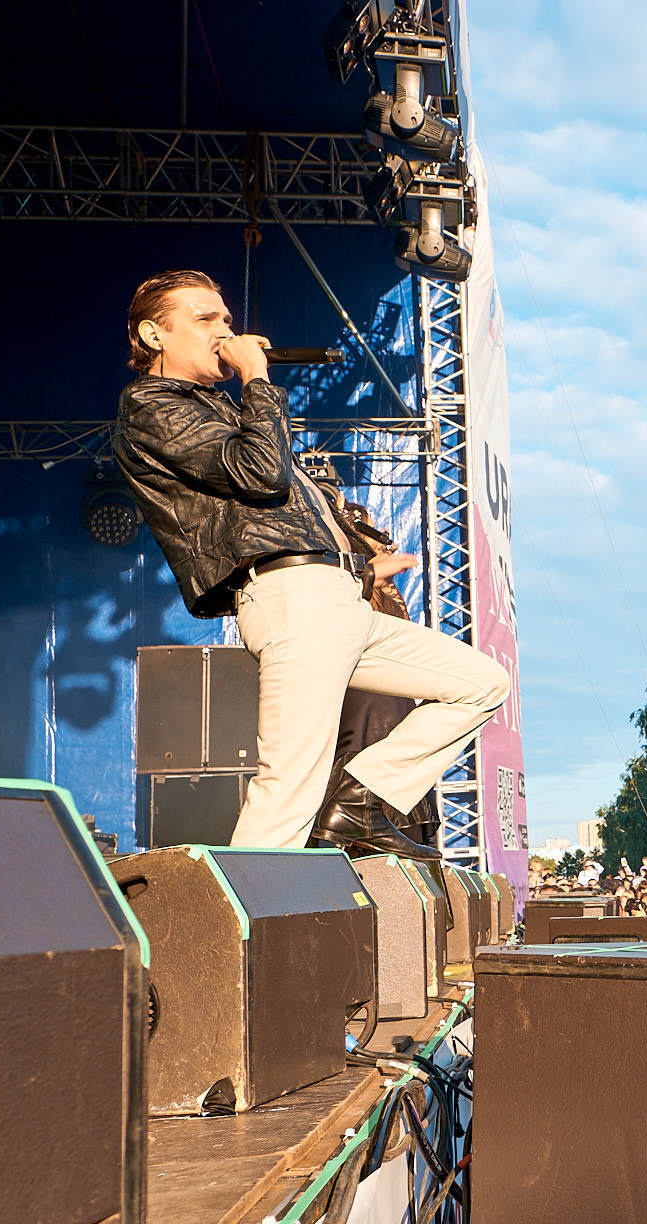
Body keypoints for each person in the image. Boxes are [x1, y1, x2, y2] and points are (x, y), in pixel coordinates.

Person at [112, 269, 508, 859]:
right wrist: (256, 377)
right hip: (292, 601)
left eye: (226, 318)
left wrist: (362, 571)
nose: (225, 330)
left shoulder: (213, 408)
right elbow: (262, 473)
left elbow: (265, 517)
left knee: (481, 684)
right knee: (288, 791)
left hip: (334, 597)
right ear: (153, 334)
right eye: (204, 319)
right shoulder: (151, 404)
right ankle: (235, 936)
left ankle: (360, 803)